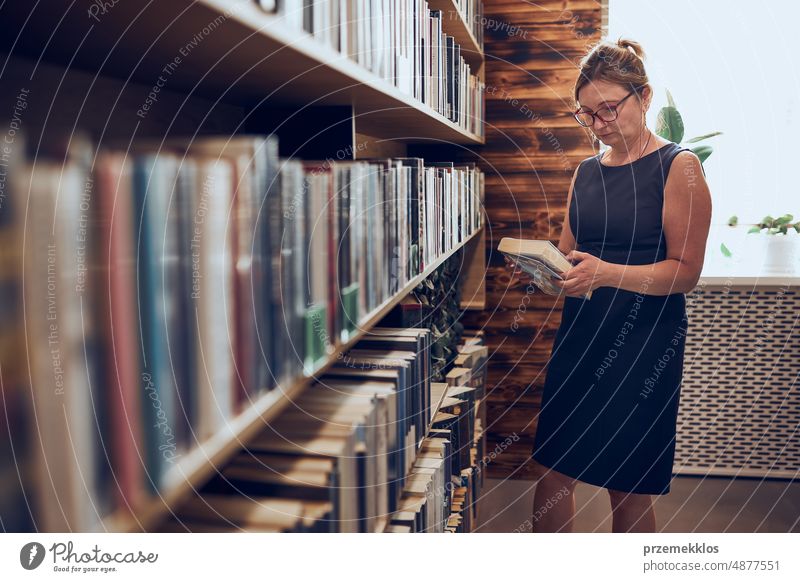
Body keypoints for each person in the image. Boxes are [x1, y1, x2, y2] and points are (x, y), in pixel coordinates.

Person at [506, 38, 712, 532]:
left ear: (644, 97)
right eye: (587, 115)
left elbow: (685, 271)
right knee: (552, 469)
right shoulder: (585, 172)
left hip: (643, 343)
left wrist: (606, 274)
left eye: (608, 109)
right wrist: (549, 272)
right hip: (581, 336)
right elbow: (572, 255)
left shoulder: (679, 167)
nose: (599, 124)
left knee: (629, 486)